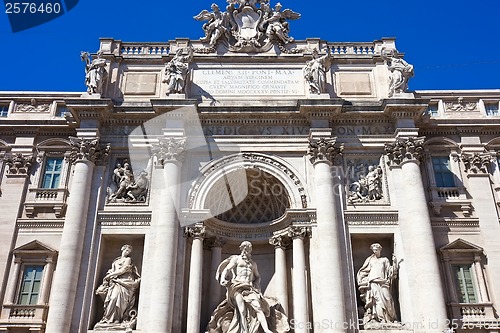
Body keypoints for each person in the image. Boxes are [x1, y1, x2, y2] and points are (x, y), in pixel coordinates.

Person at [206, 241, 288, 333]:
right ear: (241, 248)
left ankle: (266, 329)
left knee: (258, 307)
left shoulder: (252, 264)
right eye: (245, 247)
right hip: (237, 286)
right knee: (241, 309)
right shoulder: (236, 259)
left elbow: (257, 276)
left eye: (248, 248)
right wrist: (223, 279)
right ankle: (244, 331)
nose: (246, 250)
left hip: (249, 288)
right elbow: (227, 269)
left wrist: (257, 285)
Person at [95, 245, 141, 327]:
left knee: (119, 300)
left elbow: (122, 270)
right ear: (122, 249)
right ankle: (108, 318)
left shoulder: (128, 259)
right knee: (112, 298)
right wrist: (109, 275)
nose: (127, 252)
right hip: (114, 282)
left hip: (125, 282)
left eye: (129, 251)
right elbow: (112, 270)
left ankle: (117, 319)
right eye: (126, 250)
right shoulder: (115, 261)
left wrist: (111, 275)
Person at [357, 243, 398, 326]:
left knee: (388, 299)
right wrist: (361, 279)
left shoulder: (385, 260)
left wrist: (394, 263)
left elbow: (390, 272)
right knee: (377, 301)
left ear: (380, 249)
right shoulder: (370, 260)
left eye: (376, 249)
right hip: (373, 282)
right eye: (373, 250)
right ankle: (380, 319)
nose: (375, 251)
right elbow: (363, 271)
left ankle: (390, 319)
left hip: (383, 282)